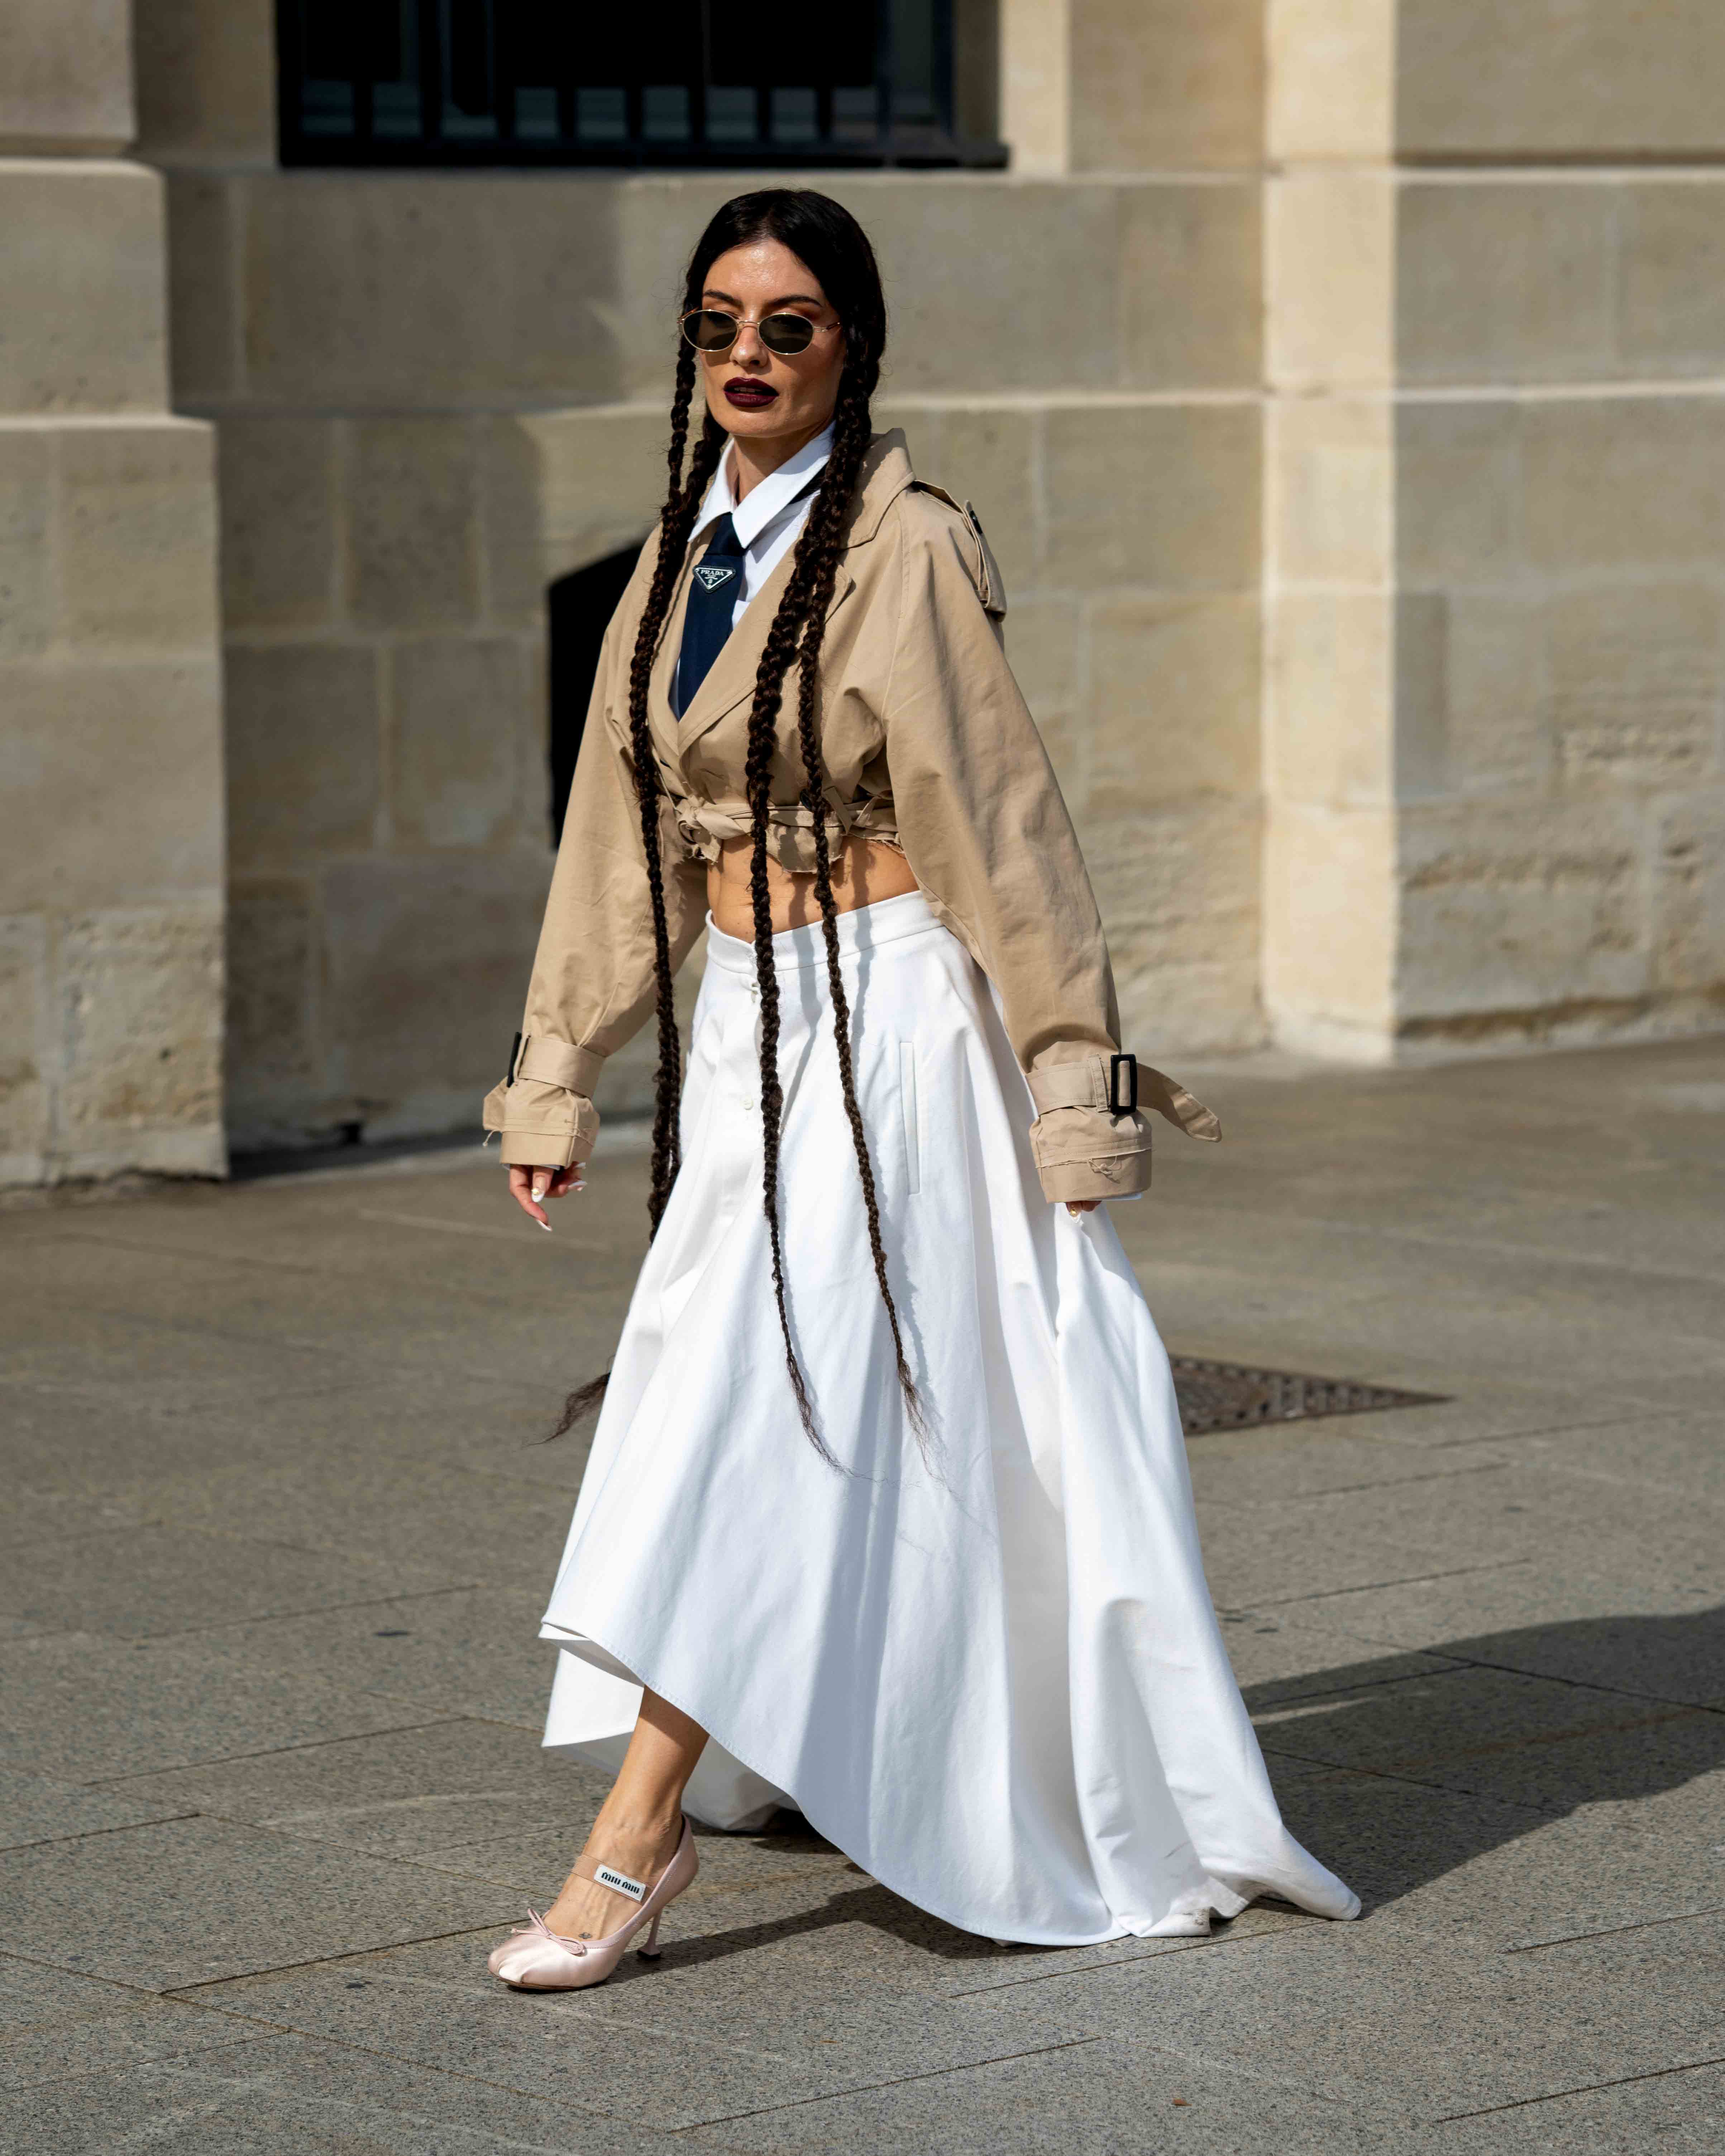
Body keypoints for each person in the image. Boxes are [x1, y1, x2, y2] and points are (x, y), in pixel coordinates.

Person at [483, 189, 1358, 1990]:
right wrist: (557, 1071)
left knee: (760, 1391)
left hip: (884, 1020)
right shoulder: (671, 558)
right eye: (719, 319)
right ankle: (816, 1717)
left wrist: (1067, 1078)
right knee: (760, 1391)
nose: (748, 350)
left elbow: (1005, 832)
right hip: (744, 1020)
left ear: (852, 348)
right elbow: (614, 838)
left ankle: (636, 1833)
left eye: (790, 324)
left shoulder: (909, 549)